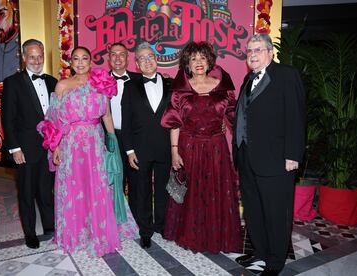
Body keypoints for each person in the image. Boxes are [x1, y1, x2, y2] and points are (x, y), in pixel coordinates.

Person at [36, 46, 138, 256]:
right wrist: (56, 146)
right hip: (71, 144)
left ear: (91, 62)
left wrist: (113, 141)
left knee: (97, 187)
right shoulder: (62, 85)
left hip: (95, 142)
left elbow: (106, 115)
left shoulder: (100, 82)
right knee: (73, 189)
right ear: (70, 63)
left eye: (85, 58)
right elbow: (54, 119)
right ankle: (76, 233)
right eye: (76, 59)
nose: (81, 62)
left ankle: (98, 232)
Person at [233, 34, 305, 275]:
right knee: (254, 210)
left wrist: (293, 155)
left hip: (276, 160)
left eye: (258, 50)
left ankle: (275, 261)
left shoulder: (286, 75)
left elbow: (296, 117)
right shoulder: (247, 79)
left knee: (276, 212)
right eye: (249, 51)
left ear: (269, 52)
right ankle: (260, 253)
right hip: (248, 159)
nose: (252, 55)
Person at [161, 41, 242, 253]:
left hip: (216, 149)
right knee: (191, 194)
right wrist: (174, 150)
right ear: (187, 63)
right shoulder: (180, 91)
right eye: (193, 58)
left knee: (215, 192)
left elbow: (236, 119)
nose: (198, 62)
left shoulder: (223, 88)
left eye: (202, 58)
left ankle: (214, 237)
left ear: (209, 62)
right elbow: (174, 123)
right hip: (189, 148)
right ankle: (191, 235)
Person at [1, 39, 56, 249]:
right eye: (32, 56)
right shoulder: (12, 82)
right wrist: (15, 148)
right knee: (26, 192)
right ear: (23, 58)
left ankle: (50, 226)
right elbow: (8, 119)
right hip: (25, 149)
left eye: (40, 56)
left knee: (46, 189)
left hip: (49, 148)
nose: (36, 60)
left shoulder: (52, 81)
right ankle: (30, 233)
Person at [121, 42, 172, 249]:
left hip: (166, 147)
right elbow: (126, 122)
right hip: (140, 148)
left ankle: (162, 225)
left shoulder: (172, 84)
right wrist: (129, 150)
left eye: (150, 56)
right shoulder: (129, 87)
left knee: (164, 189)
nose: (147, 61)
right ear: (137, 64)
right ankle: (145, 230)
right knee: (141, 190)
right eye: (142, 58)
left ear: (156, 58)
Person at [108, 42, 141, 218]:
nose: (118, 58)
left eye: (122, 54)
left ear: (128, 58)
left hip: (135, 138)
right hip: (110, 138)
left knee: (135, 179)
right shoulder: (99, 81)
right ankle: (116, 218)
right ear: (109, 58)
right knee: (114, 179)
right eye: (114, 54)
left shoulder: (139, 80)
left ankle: (135, 218)